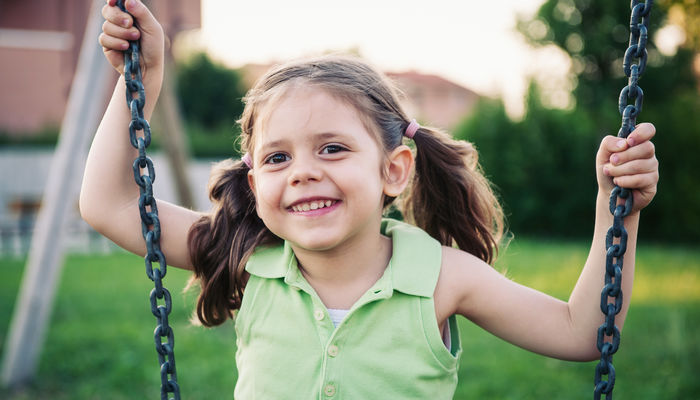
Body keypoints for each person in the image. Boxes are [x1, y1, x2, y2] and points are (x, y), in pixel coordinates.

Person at [82, 0, 659, 398]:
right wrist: (146, 79)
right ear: (255, 186)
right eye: (277, 158)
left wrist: (617, 211)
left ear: (394, 169)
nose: (303, 172)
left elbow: (584, 332)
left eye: (331, 148)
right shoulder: (249, 255)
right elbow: (108, 204)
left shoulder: (441, 276)